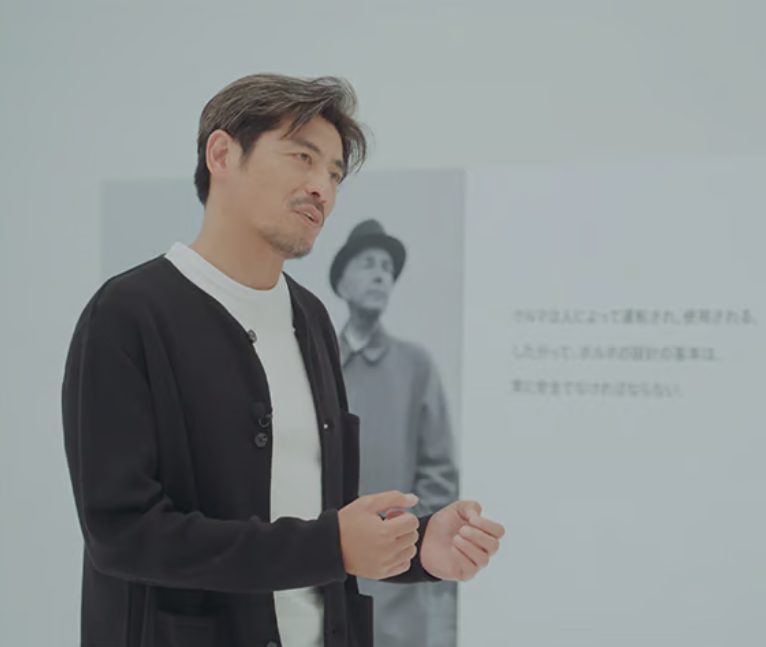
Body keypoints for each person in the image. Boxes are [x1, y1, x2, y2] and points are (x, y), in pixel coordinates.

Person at [61, 73, 504, 647]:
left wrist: (420, 548)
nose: (322, 188)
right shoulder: (128, 314)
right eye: (302, 157)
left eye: (335, 174)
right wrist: (329, 545)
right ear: (222, 154)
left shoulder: (312, 318)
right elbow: (123, 534)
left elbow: (315, 511)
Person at [330, 219, 460, 647]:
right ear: (342, 283)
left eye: (387, 268)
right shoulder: (317, 362)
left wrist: (404, 535)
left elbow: (439, 470)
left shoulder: (416, 366)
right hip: (324, 569)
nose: (380, 275)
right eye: (368, 264)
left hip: (399, 579)